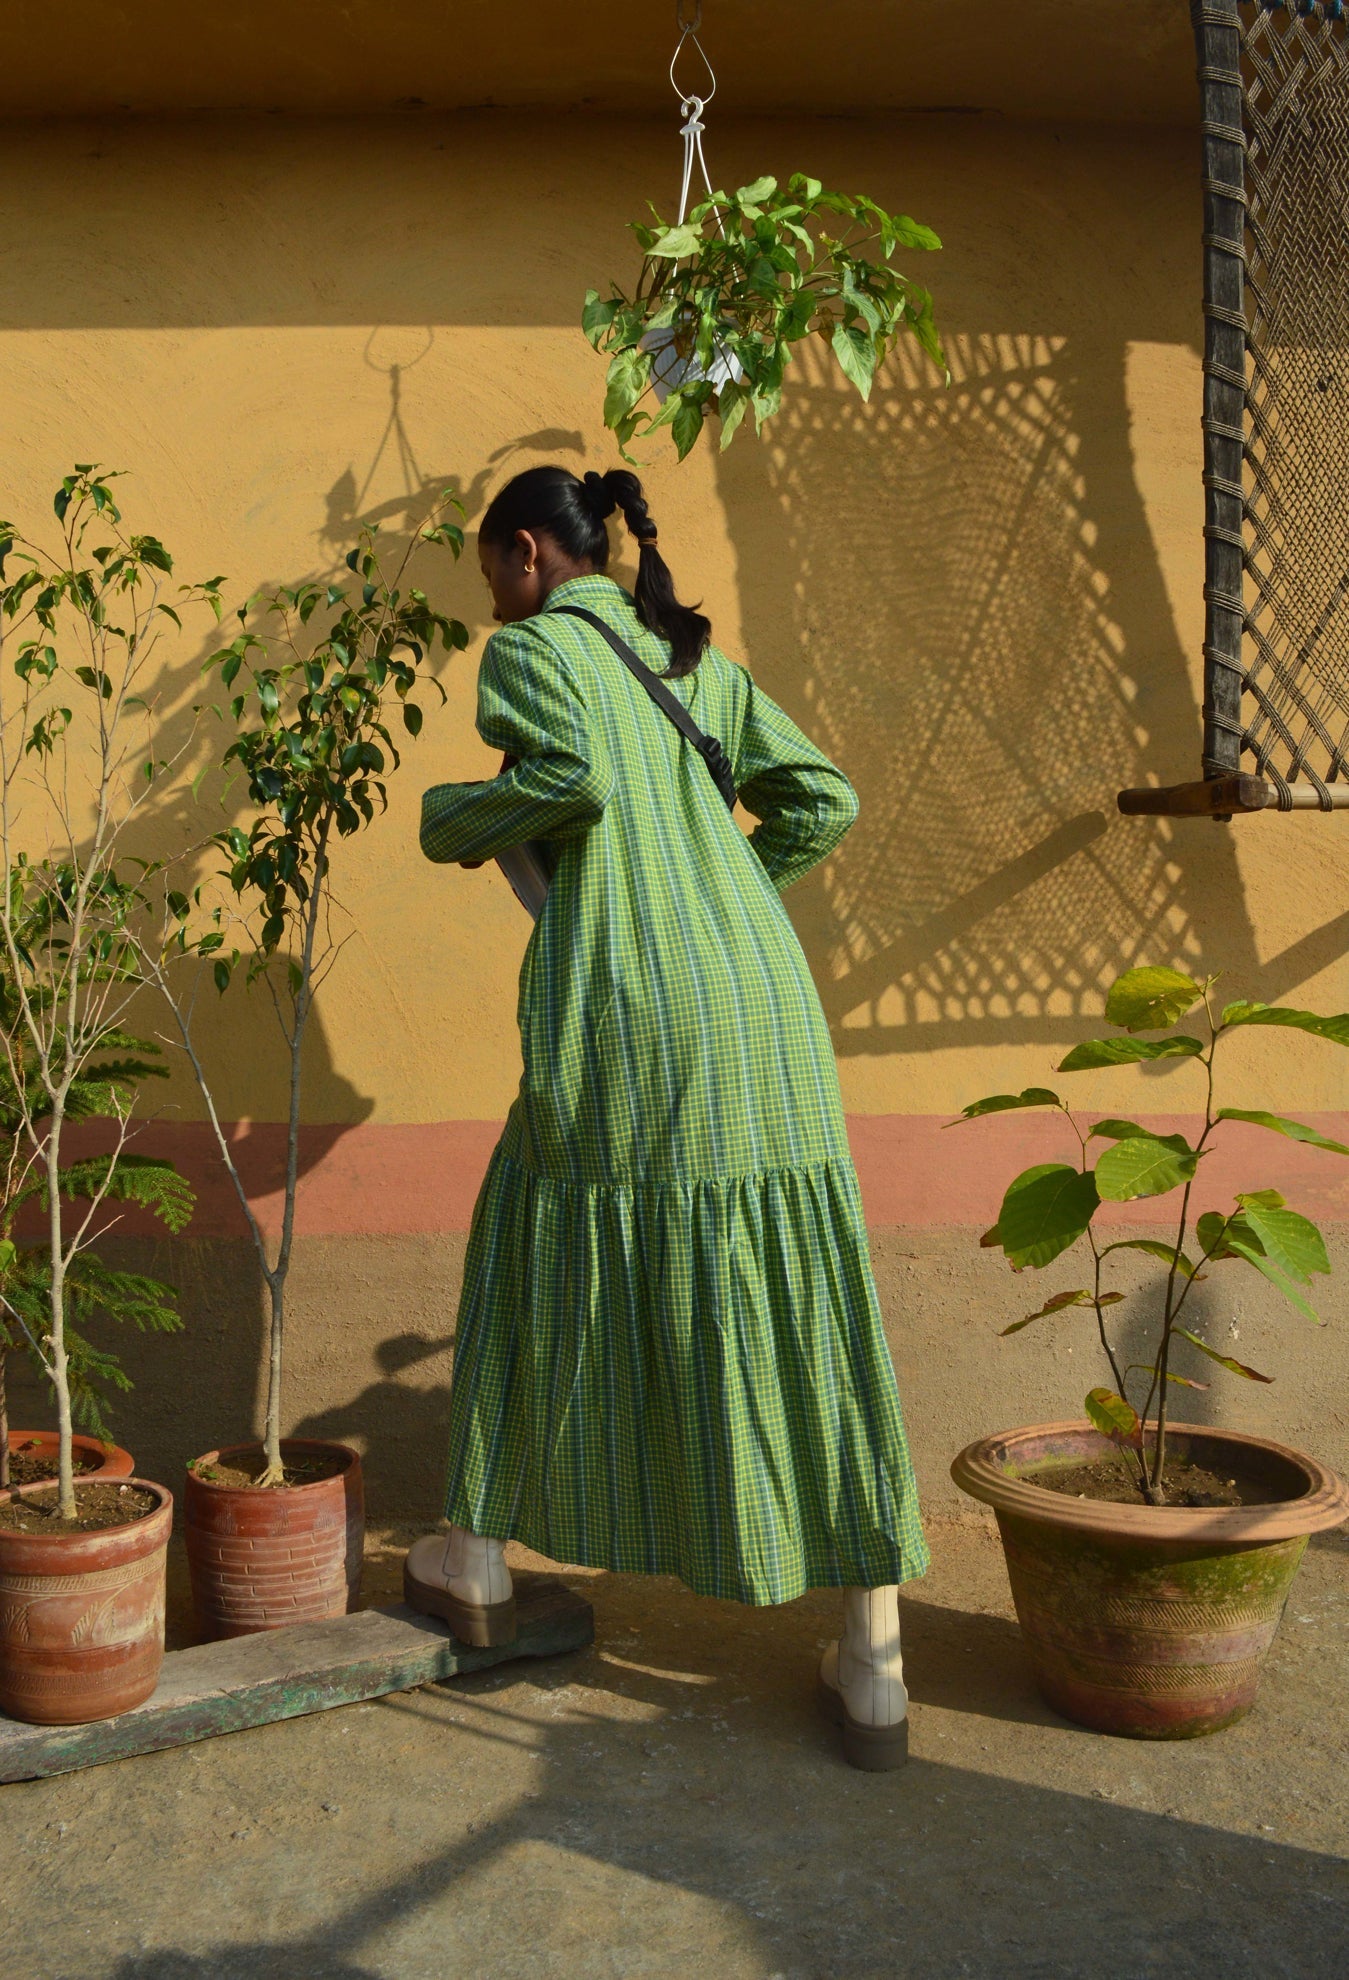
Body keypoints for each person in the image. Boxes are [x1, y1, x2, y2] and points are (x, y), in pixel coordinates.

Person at [405, 464, 927, 1771]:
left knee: (534, 1239)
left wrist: (449, 819)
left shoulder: (532, 651)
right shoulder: (698, 659)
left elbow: (570, 780)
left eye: (489, 576)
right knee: (801, 1283)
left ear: (526, 553)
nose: (491, 602)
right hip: (763, 1003)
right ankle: (873, 1663)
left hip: (630, 1003)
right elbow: (825, 801)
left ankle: (470, 1560)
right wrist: (721, 899)